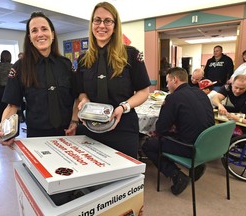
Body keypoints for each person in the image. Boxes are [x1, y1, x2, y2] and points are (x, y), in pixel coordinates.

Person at [66, 2, 151, 159]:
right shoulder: (84, 59)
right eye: (97, 20)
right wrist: (84, 99)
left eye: (108, 21)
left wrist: (123, 107)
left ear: (115, 25)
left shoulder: (131, 54)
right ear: (92, 24)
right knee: (92, 176)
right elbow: (81, 91)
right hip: (90, 128)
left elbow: (144, 91)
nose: (102, 25)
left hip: (122, 127)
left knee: (124, 178)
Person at [0, 11, 76, 146]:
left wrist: (74, 121)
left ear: (52, 34)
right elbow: (12, 105)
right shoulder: (20, 66)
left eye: (44, 29)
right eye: (34, 30)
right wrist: (4, 129)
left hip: (68, 133)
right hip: (37, 137)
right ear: (30, 37)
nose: (40, 34)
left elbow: (76, 96)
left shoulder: (65, 64)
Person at [142, 67, 215, 195]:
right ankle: (197, 166)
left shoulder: (173, 98)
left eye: (167, 81)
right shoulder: (201, 93)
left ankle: (176, 175)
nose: (166, 85)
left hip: (191, 147)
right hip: (209, 144)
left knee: (148, 145)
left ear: (174, 80)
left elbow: (161, 129)